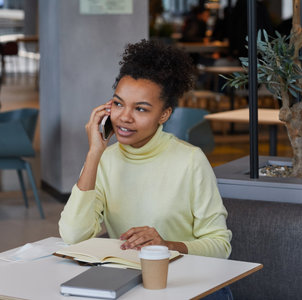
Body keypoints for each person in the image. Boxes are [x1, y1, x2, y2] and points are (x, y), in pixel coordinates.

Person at [58, 40, 232, 261]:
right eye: (119, 104)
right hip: (129, 279)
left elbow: (220, 246)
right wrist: (94, 153)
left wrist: (166, 246)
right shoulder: (104, 160)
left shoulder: (190, 160)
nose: (124, 117)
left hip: (184, 280)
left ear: (164, 115)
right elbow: (73, 236)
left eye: (140, 109)